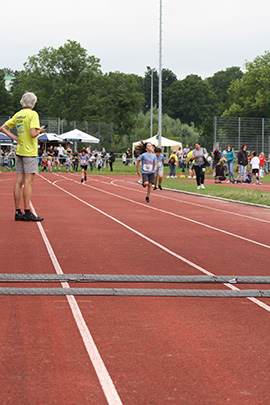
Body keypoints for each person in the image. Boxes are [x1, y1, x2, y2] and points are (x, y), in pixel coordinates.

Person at [0, 92, 45, 221]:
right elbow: (32, 134)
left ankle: (17, 211)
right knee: (28, 182)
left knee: (18, 181)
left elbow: (3, 128)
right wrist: (40, 131)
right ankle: (27, 211)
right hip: (29, 152)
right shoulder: (33, 114)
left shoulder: (18, 114)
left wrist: (15, 138)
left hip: (19, 150)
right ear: (33, 103)